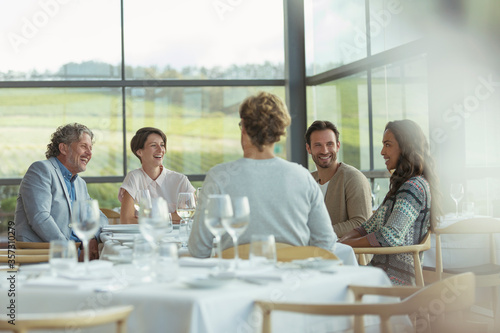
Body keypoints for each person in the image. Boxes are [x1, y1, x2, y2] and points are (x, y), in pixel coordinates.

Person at [188, 92, 337, 258]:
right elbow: (326, 243)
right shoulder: (303, 177)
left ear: (243, 127)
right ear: (280, 131)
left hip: (237, 281)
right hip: (292, 280)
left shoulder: (219, 177)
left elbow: (198, 249)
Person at [339, 119, 441, 286]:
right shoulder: (403, 186)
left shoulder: (413, 187)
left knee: (327, 278)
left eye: (388, 145)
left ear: (405, 147)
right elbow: (367, 227)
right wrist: (342, 241)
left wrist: (347, 245)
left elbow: (389, 235)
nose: (382, 152)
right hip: (379, 271)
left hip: (394, 278)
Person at [15, 123, 108, 259]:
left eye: (90, 148)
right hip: (44, 256)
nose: (89, 153)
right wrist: (71, 252)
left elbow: (101, 218)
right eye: (83, 146)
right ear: (63, 148)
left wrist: (93, 238)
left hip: (78, 254)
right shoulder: (41, 170)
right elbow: (40, 218)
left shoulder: (80, 183)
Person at [305, 120, 372, 237]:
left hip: (348, 253)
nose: (324, 150)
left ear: (338, 146)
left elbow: (362, 223)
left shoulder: (353, 178)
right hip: (313, 251)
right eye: (318, 145)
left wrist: (319, 232)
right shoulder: (308, 181)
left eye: (329, 144)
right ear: (308, 148)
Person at [118, 127, 195, 224]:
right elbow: (126, 220)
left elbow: (193, 215)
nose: (160, 150)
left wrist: (148, 219)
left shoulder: (180, 180)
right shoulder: (134, 177)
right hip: (144, 238)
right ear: (139, 152)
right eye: (153, 145)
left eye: (162, 145)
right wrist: (172, 217)